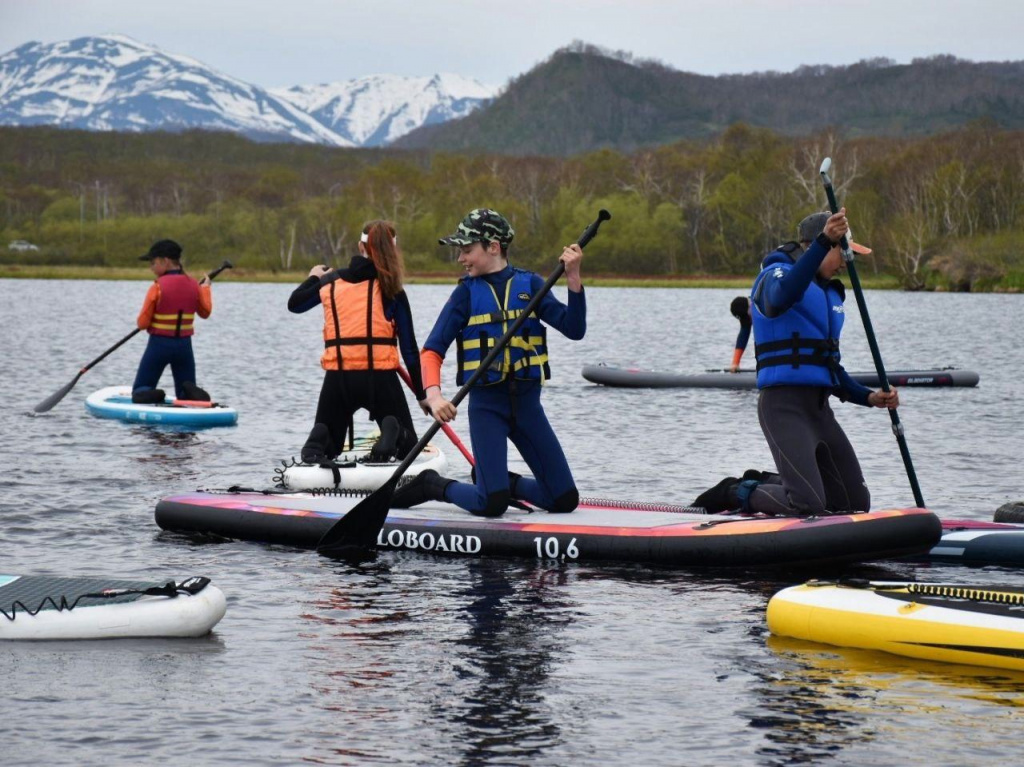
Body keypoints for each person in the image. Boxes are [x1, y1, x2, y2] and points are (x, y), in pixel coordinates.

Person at [693, 208, 899, 516]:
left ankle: (778, 482)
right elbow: (781, 296)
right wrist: (824, 241)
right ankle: (735, 491)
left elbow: (830, 368)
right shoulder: (773, 276)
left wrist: (869, 397)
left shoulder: (828, 294)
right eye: (842, 250)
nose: (846, 261)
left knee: (854, 504)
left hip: (819, 410)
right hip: (782, 407)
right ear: (820, 245)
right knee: (806, 504)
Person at [391, 208, 586, 517]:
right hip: (487, 408)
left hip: (528, 407)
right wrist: (434, 395)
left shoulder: (531, 285)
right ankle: (432, 485)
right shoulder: (465, 294)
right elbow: (431, 351)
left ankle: (506, 483)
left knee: (564, 500)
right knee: (491, 504)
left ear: (493, 247)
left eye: (467, 250)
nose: (461, 258)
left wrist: (573, 278)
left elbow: (574, 329)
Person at [288, 219, 425, 463]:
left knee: (329, 445)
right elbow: (410, 350)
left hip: (338, 378)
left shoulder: (330, 283)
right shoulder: (392, 290)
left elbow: (295, 304)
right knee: (409, 448)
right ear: (392, 250)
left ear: (360, 247)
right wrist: (422, 394)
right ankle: (393, 432)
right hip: (380, 379)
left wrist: (314, 277)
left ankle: (320, 437)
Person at [132, 239, 213, 404]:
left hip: (159, 345)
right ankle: (190, 392)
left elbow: (142, 324)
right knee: (184, 391)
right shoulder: (194, 285)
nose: (151, 267)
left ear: (165, 261)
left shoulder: (157, 287)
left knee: (140, 389)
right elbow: (205, 312)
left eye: (153, 263)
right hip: (184, 346)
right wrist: (205, 289)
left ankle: (154, 393)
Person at [728, 296, 751, 372]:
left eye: (748, 316)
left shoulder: (763, 304)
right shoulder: (747, 313)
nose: (750, 319)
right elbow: (743, 334)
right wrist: (735, 363)